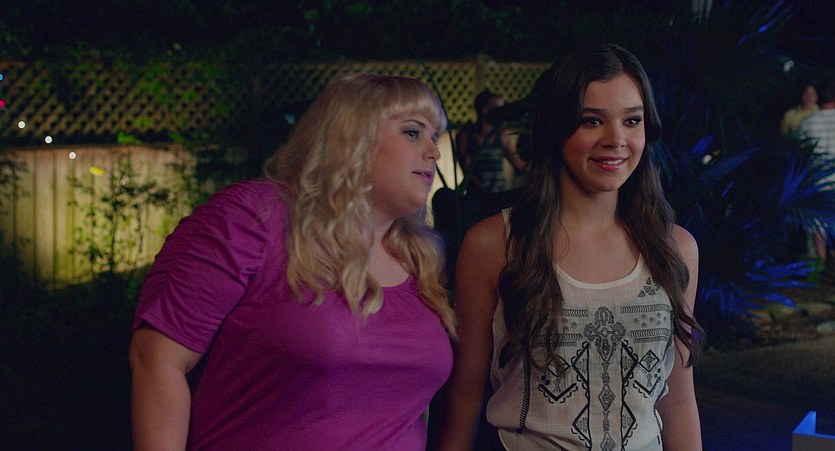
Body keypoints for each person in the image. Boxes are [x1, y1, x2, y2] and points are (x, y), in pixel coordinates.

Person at [128, 73, 457, 450]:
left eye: (435, 136)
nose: (433, 152)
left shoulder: (421, 256)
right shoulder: (253, 219)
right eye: (413, 133)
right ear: (354, 137)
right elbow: (157, 360)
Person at [439, 44, 704, 450]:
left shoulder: (675, 248)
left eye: (632, 120)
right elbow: (465, 393)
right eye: (591, 120)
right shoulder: (495, 244)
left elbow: (679, 398)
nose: (616, 139)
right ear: (555, 127)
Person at [456, 89, 529, 219]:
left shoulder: (502, 135)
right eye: (499, 109)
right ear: (485, 110)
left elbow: (519, 164)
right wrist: (484, 192)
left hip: (498, 197)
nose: (503, 113)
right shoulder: (466, 135)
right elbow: (466, 170)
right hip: (476, 200)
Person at [799, 80, 835, 266]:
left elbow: (801, 152)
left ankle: (820, 263)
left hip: (817, 180)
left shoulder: (808, 123)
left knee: (818, 223)